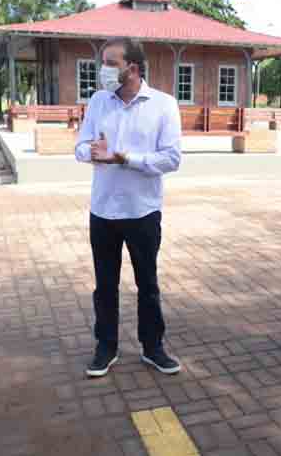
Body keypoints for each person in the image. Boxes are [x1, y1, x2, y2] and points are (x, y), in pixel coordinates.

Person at [75, 38, 182, 378]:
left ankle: (153, 347)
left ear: (132, 68)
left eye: (110, 62)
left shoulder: (163, 105)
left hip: (143, 211)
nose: (102, 69)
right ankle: (105, 347)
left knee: (147, 284)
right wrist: (90, 151)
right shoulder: (98, 101)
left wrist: (122, 158)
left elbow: (171, 158)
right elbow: (79, 146)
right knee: (104, 285)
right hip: (103, 210)